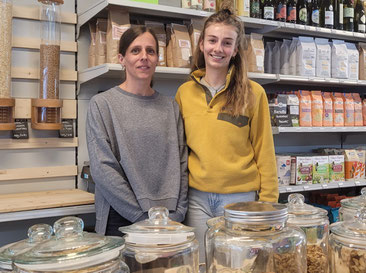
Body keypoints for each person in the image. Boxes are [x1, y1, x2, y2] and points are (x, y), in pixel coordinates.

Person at [175, 2, 278, 261]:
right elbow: (178, 151)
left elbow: (265, 152)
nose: (217, 48)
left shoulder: (254, 94)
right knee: (200, 265)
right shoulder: (184, 93)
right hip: (196, 200)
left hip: (241, 201)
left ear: (235, 50)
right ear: (201, 45)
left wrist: (267, 207)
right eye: (212, 40)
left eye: (226, 43)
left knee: (238, 266)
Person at [86, 26, 188, 236]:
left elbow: (182, 163)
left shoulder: (170, 106)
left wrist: (178, 214)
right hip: (120, 217)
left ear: (157, 59)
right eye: (136, 51)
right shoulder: (102, 104)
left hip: (169, 217)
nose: (144, 57)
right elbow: (103, 169)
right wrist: (143, 219)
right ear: (121, 58)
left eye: (150, 51)